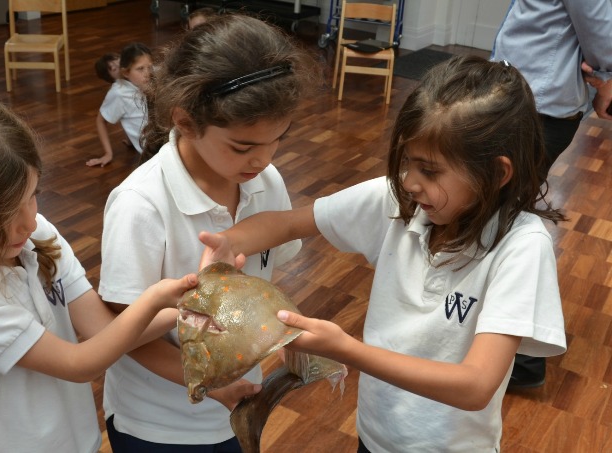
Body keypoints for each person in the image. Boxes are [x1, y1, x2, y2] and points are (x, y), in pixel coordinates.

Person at [199, 55, 567, 452]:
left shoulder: (522, 246)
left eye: (430, 170)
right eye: (406, 163)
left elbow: (476, 386)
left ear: (497, 173)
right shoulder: (394, 201)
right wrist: (231, 242)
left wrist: (346, 350)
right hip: (374, 436)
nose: (409, 182)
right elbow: (290, 223)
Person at [0, 87, 198, 453]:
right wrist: (157, 300)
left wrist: (184, 309)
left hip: (76, 439)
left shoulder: (37, 235)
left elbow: (103, 330)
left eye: (32, 196)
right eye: (2, 214)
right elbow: (81, 363)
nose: (27, 223)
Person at [98, 13, 319, 452]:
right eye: (243, 146)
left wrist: (290, 337)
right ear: (185, 121)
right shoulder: (140, 205)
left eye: (278, 138)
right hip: (158, 424)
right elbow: (120, 334)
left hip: (233, 405)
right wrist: (209, 384)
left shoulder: (266, 181)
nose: (263, 158)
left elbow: (263, 285)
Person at [491, 0, 612, 389]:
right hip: (527, 98)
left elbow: (601, 31)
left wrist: (609, 74)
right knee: (498, 219)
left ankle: (521, 359)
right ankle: (514, 353)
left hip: (535, 105)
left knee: (500, 225)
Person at [86, 42, 152, 167]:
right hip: (155, 148)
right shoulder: (118, 93)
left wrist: (131, 138)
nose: (147, 72)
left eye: (119, 60)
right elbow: (101, 121)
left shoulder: (145, 79)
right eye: (114, 68)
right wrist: (108, 153)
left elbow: (135, 115)